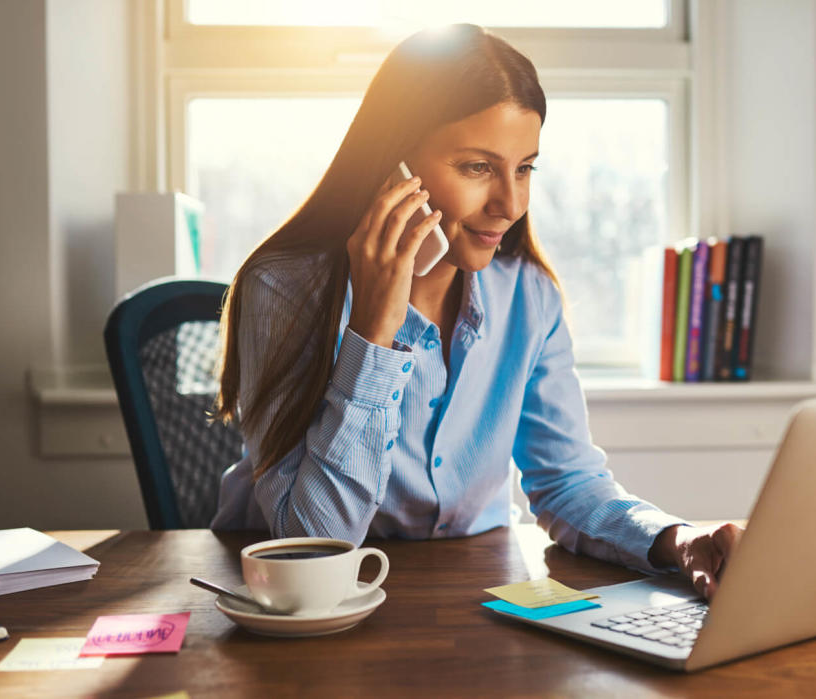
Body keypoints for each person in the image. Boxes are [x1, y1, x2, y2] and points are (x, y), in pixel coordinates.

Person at [210, 24, 742, 598]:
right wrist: (373, 333)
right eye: (477, 167)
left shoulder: (528, 294)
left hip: (477, 597)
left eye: (524, 168)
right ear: (394, 167)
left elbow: (567, 483)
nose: (510, 204)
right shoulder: (286, 289)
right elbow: (313, 542)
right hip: (299, 610)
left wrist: (678, 538)